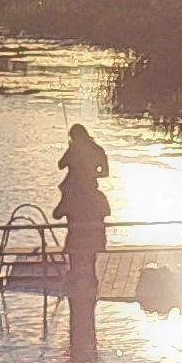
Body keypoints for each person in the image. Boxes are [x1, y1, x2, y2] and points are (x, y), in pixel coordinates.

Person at [56, 123, 113, 331]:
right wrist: (91, 175)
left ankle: (73, 272)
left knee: (73, 228)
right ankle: (89, 274)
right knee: (90, 229)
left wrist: (71, 155)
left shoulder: (74, 149)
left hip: (74, 193)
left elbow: (60, 165)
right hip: (90, 190)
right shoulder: (98, 150)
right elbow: (105, 172)